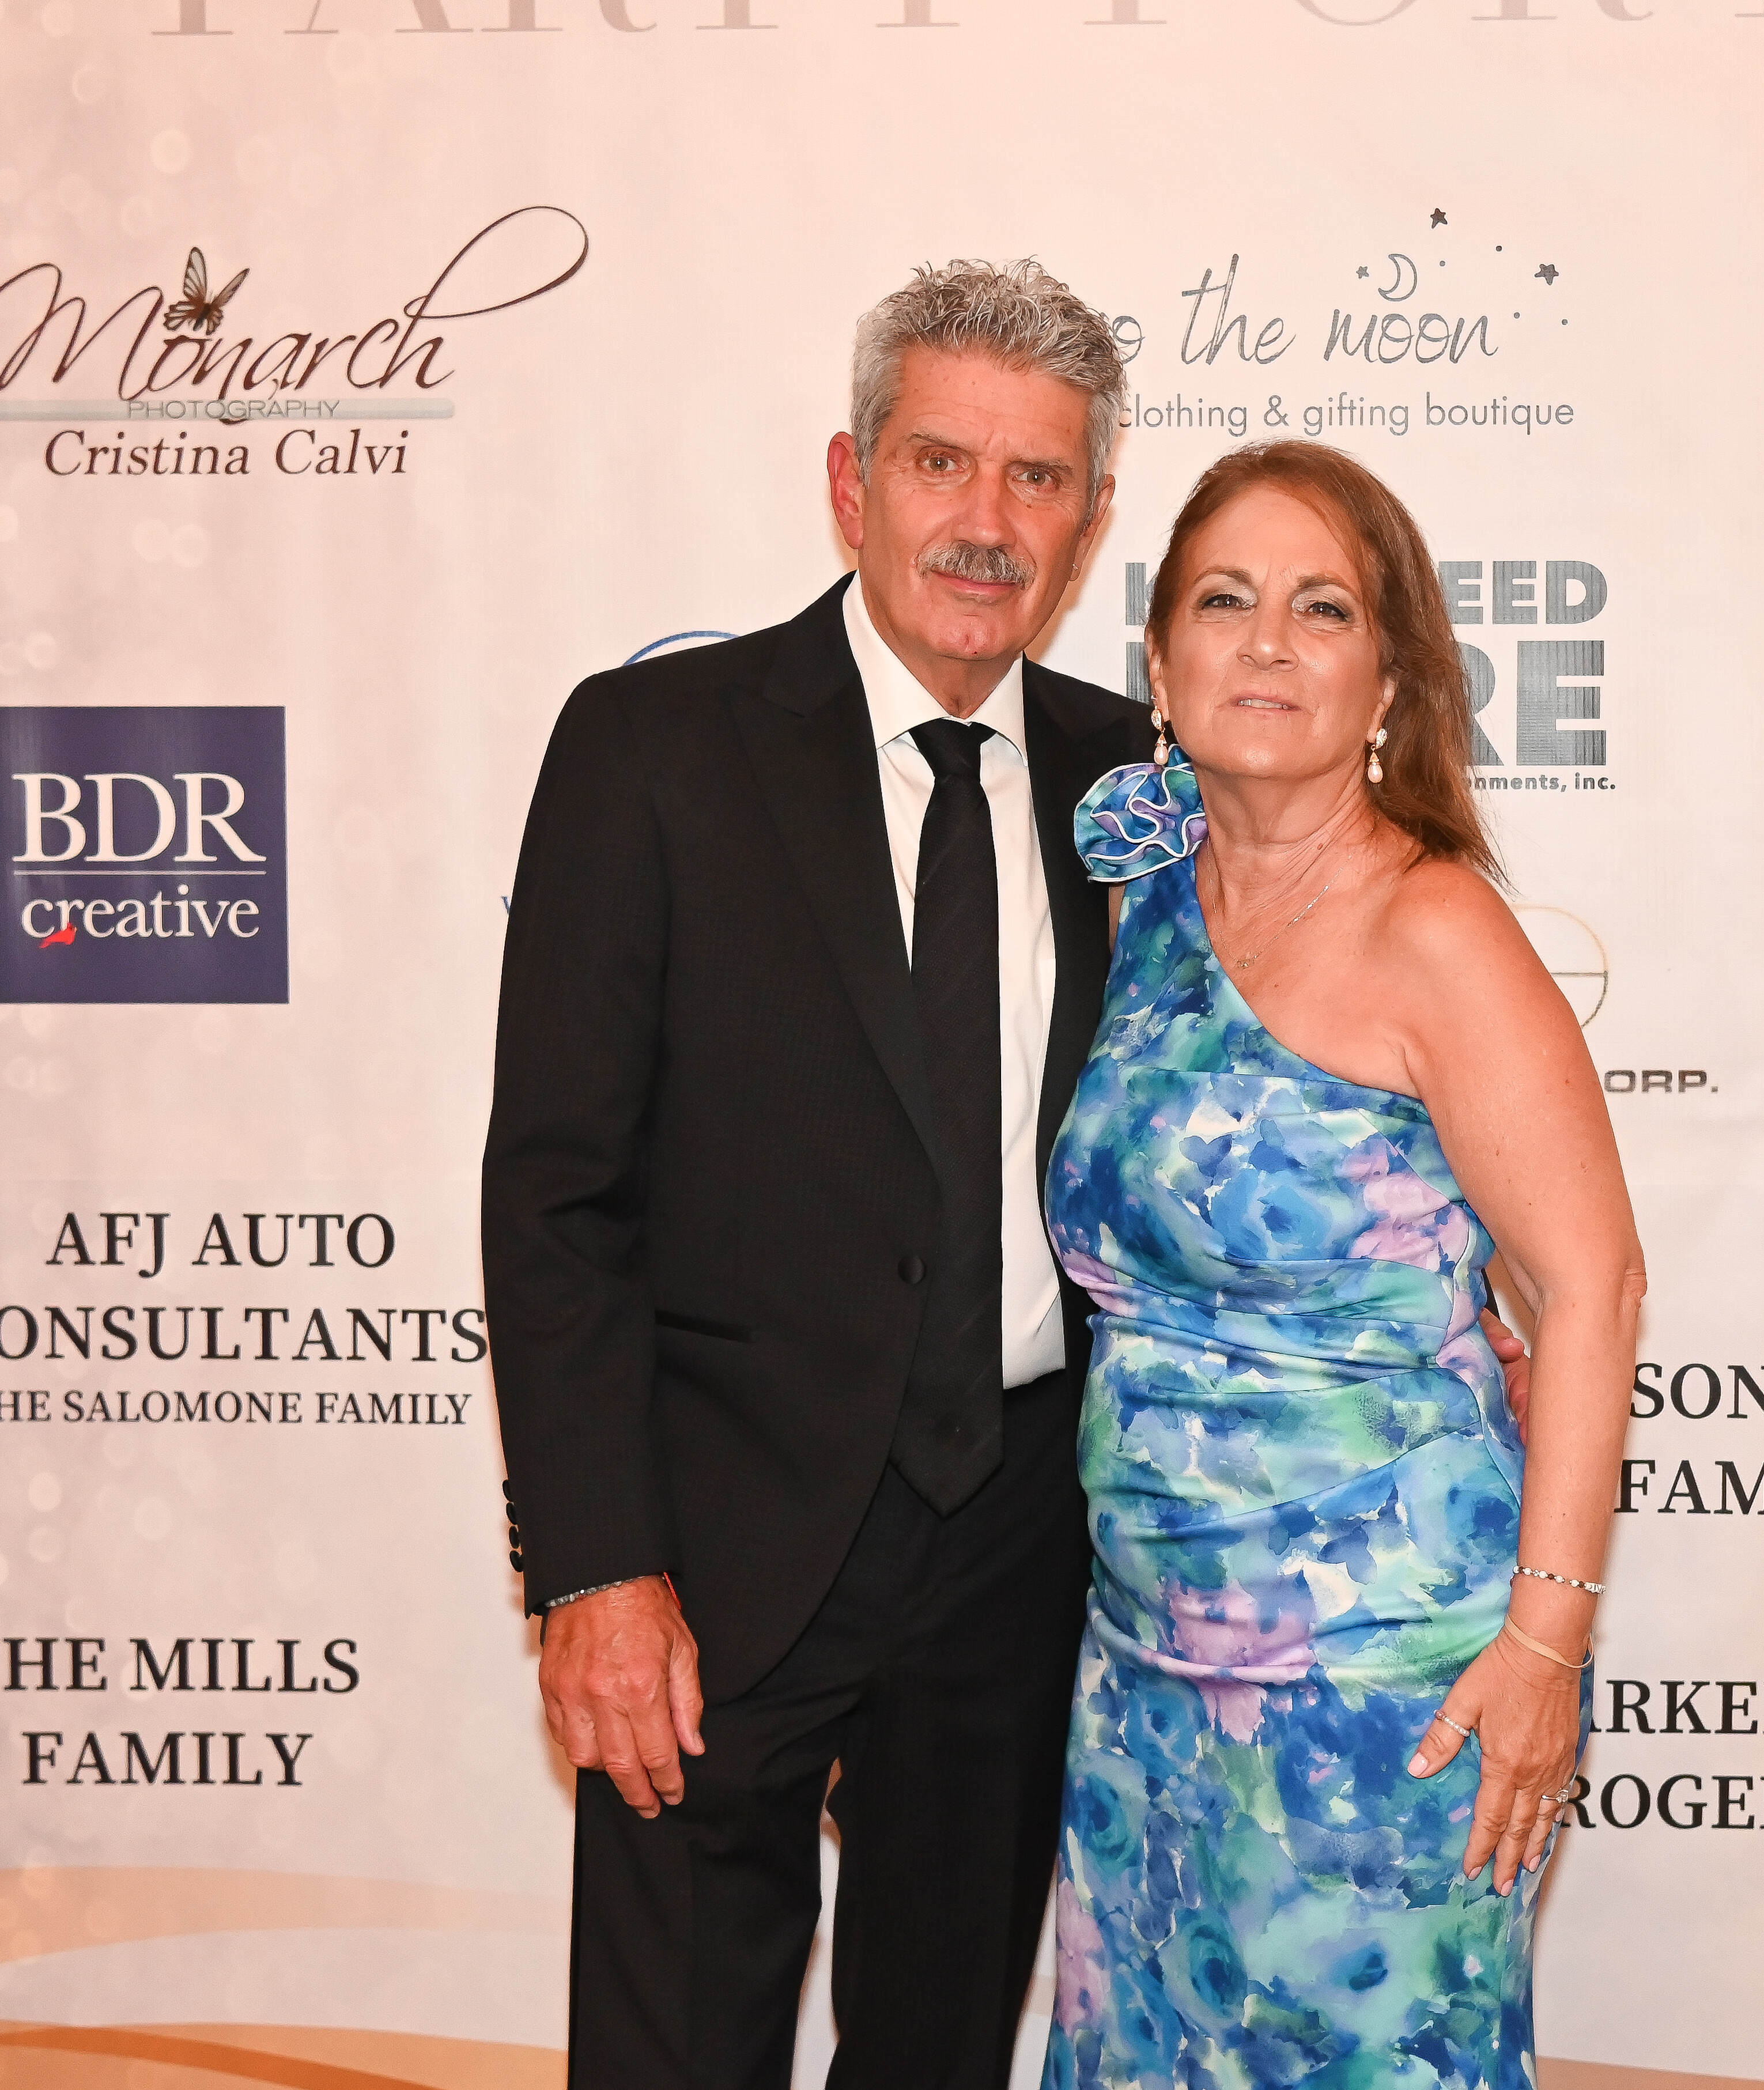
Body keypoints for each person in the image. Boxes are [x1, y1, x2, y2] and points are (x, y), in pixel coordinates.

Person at [481, 259, 1151, 2089]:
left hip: (1019, 1537)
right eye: (942, 461)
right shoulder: (653, 749)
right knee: (677, 2050)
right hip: (714, 1543)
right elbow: (555, 1197)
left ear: (1087, 521)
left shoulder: (1134, 785)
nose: (985, 519)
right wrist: (596, 1566)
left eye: (1037, 477)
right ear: (852, 482)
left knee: (938, 2049)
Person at [1040, 442, 1649, 2088]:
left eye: (1323, 609)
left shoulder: (1436, 931)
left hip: (1382, 1696)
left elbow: (1589, 1290)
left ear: (1388, 681)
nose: (1266, 642)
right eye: (1222, 600)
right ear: (1158, 660)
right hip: (1138, 1673)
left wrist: (1544, 1651)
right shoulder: (1135, 904)